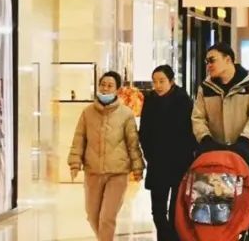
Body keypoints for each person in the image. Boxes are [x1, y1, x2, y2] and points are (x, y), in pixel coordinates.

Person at [192, 43, 249, 241]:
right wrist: (205, 139)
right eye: (206, 61)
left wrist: (244, 140)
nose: (208, 65)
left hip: (247, 156)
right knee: (214, 207)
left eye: (212, 60)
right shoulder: (206, 88)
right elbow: (197, 117)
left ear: (228, 59)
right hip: (215, 158)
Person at [69, 71, 145, 241]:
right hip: (93, 171)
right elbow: (79, 139)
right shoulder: (87, 112)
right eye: (103, 84)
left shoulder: (126, 114)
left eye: (110, 86)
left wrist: (137, 167)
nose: (105, 88)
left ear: (117, 90)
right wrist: (75, 163)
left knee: (107, 217)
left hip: (117, 173)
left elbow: (133, 144)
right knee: (92, 216)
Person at [139, 65, 196, 241]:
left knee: (175, 210)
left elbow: (190, 132)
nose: (157, 85)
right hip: (157, 162)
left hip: (179, 162)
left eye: (161, 81)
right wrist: (149, 154)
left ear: (171, 81)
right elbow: (144, 131)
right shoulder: (150, 100)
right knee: (157, 210)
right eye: (154, 82)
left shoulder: (183, 100)